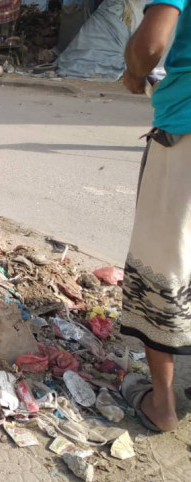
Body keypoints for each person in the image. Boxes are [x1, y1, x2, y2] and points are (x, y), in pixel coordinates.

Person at [119, 0, 190, 432]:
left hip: (184, 134)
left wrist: (134, 70)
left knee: (163, 263)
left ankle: (162, 405)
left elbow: (150, 44)